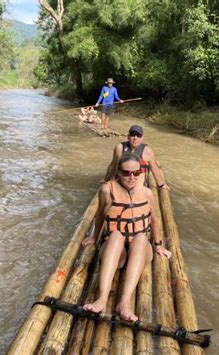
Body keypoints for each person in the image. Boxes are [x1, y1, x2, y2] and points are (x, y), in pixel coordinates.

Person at [82, 154, 171, 321]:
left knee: (141, 237)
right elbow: (100, 214)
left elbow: (154, 219)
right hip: (117, 252)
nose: (131, 177)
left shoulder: (147, 193)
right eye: (126, 172)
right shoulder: (107, 190)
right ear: (118, 171)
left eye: (135, 173)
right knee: (116, 235)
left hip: (140, 250)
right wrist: (94, 237)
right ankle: (101, 299)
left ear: (140, 173)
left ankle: (124, 303)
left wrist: (158, 245)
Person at [103, 125, 170, 190]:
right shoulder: (119, 148)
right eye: (133, 135)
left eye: (138, 135)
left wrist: (161, 185)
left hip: (139, 183)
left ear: (142, 138)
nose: (135, 138)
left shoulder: (147, 151)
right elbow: (113, 165)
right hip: (122, 181)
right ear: (128, 136)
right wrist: (106, 180)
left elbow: (154, 169)